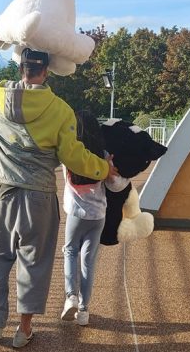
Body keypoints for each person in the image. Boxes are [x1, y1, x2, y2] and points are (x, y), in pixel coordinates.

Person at [0, 25, 118, 348]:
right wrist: (104, 168)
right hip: (38, 199)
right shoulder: (60, 111)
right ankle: (23, 329)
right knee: (34, 261)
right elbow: (74, 158)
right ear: (47, 71)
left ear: (20, 66)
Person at [60, 110, 130, 326]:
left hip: (75, 213)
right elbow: (116, 185)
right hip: (98, 215)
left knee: (70, 251)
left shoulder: (71, 152)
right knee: (88, 261)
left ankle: (70, 296)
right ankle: (84, 310)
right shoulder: (104, 155)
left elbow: (67, 176)